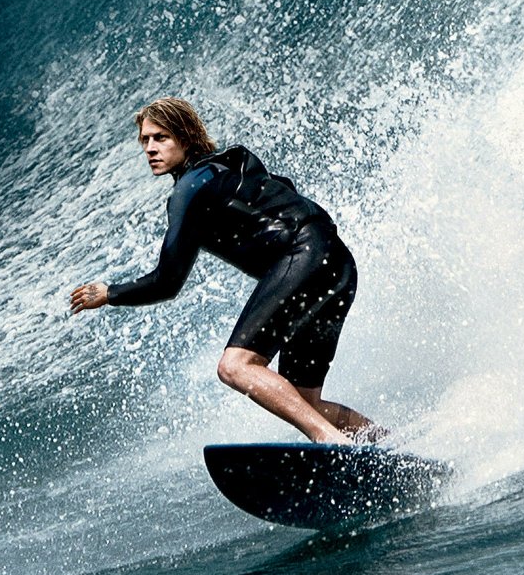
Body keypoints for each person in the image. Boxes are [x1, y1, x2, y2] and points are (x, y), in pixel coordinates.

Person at [69, 97, 379, 444]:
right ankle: (384, 442)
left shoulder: (189, 188)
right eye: (145, 140)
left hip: (306, 256)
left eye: (161, 138)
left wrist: (109, 293)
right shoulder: (229, 167)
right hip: (338, 264)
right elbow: (285, 189)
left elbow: (167, 282)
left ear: (185, 137)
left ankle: (331, 441)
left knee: (235, 366)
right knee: (302, 400)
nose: (150, 149)